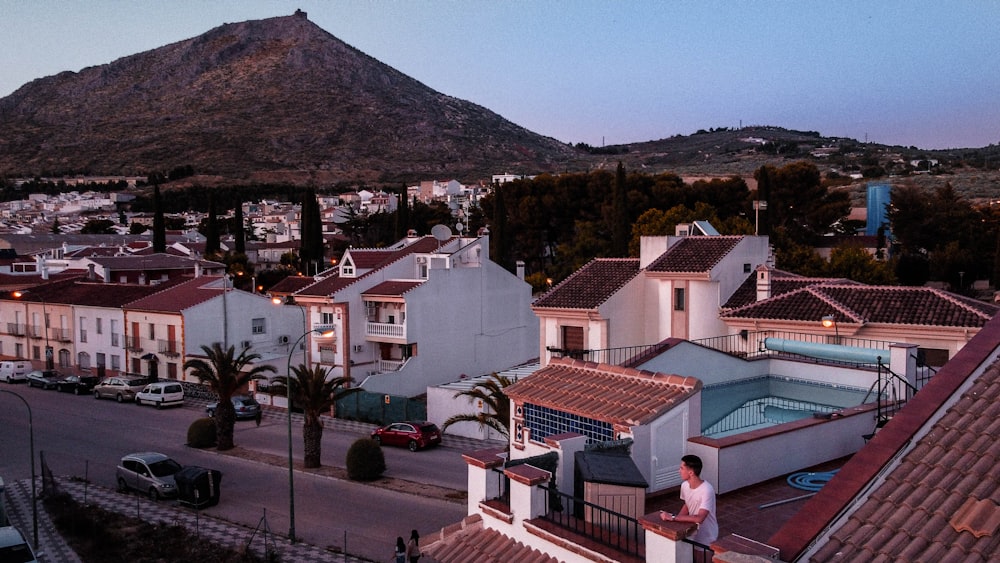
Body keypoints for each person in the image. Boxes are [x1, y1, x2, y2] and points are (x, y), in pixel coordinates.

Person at [660, 454, 718, 548]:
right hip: (691, 531)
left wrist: (673, 517)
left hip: (706, 534)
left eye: (682, 468)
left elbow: (700, 518)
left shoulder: (707, 490)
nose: (679, 471)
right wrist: (676, 525)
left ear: (691, 472)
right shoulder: (684, 486)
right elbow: (687, 505)